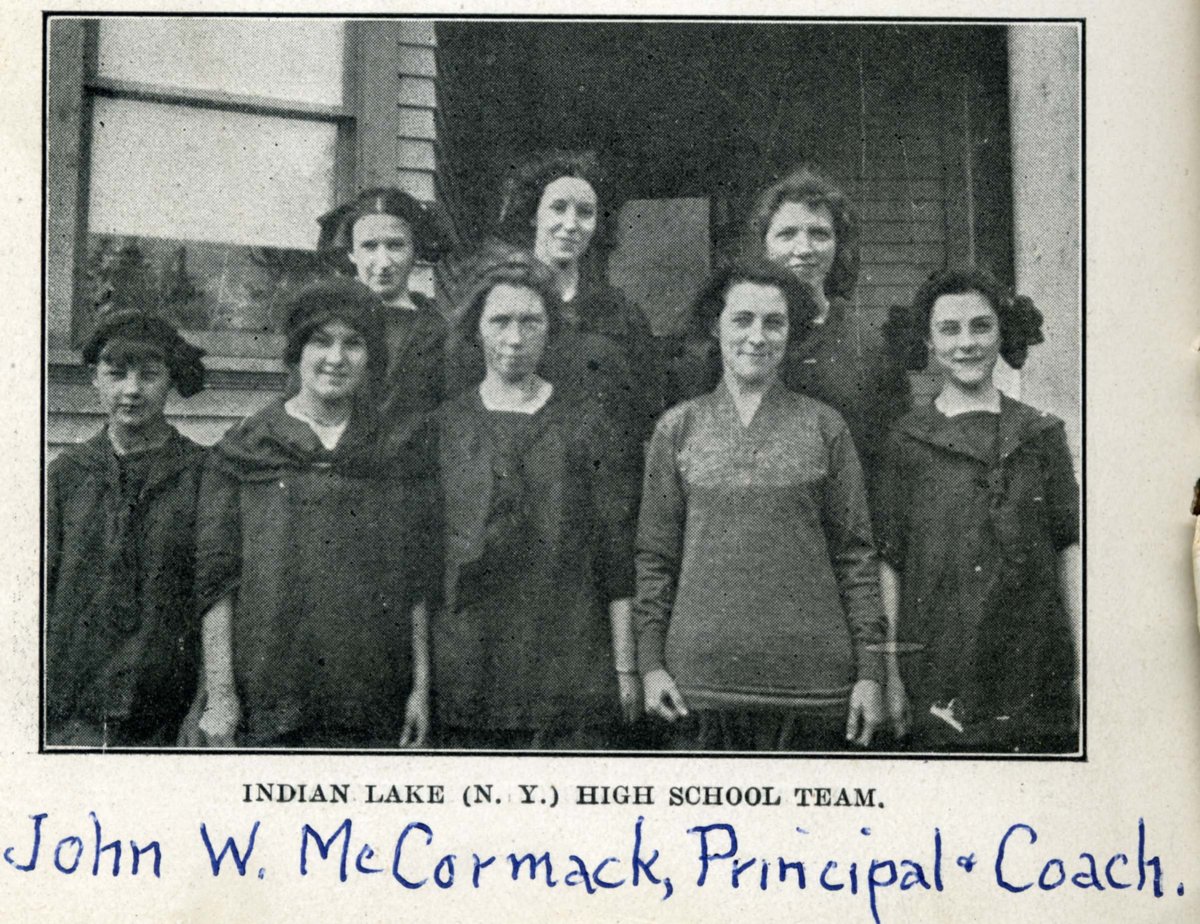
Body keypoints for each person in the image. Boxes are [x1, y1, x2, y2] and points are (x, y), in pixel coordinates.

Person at [636, 260, 887, 751]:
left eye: (774, 322)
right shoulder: (677, 428)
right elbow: (654, 558)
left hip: (815, 691)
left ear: (791, 332)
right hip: (699, 690)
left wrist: (870, 674)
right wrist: (650, 665)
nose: (758, 336)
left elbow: (857, 558)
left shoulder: (825, 426)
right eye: (742, 319)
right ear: (717, 325)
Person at [193, 277, 439, 748]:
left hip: (372, 696)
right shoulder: (246, 450)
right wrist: (222, 696)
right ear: (296, 352)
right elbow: (216, 583)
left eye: (353, 344)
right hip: (270, 691)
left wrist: (420, 690)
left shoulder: (396, 450)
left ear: (372, 358)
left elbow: (416, 582)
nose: (336, 358)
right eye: (320, 342)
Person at [436, 251, 640, 749]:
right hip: (468, 674)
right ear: (476, 328)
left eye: (531, 321)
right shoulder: (444, 427)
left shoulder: (587, 424)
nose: (514, 337)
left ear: (551, 329)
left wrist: (625, 666)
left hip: (568, 672)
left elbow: (615, 554)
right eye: (500, 321)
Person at [877, 267, 1081, 753]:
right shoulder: (906, 441)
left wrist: (1082, 662)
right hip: (940, 669)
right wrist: (891, 674)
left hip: (1033, 665)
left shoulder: (1041, 435)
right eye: (948, 329)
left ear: (1003, 333)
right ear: (927, 340)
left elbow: (1068, 551)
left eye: (980, 326)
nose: (965, 343)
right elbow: (889, 563)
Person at [46, 309, 207, 747]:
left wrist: (201, 706)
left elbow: (215, 596)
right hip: (69, 710)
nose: (132, 390)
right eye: (116, 374)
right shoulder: (65, 477)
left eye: (149, 375)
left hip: (163, 713)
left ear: (171, 380)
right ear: (94, 380)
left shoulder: (202, 475)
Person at [739, 165, 911, 506]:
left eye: (819, 234)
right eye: (787, 234)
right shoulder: (738, 340)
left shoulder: (871, 345)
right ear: (764, 245)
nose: (803, 249)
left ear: (838, 245)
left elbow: (895, 464)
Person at [487, 150, 665, 451]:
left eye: (585, 212)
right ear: (534, 215)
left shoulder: (622, 314)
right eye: (558, 208)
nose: (571, 224)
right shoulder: (498, 306)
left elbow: (646, 416)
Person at [318, 187, 449, 430]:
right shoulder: (325, 326)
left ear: (415, 251)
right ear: (351, 254)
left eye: (395, 246)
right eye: (369, 246)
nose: (383, 262)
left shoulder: (440, 331)